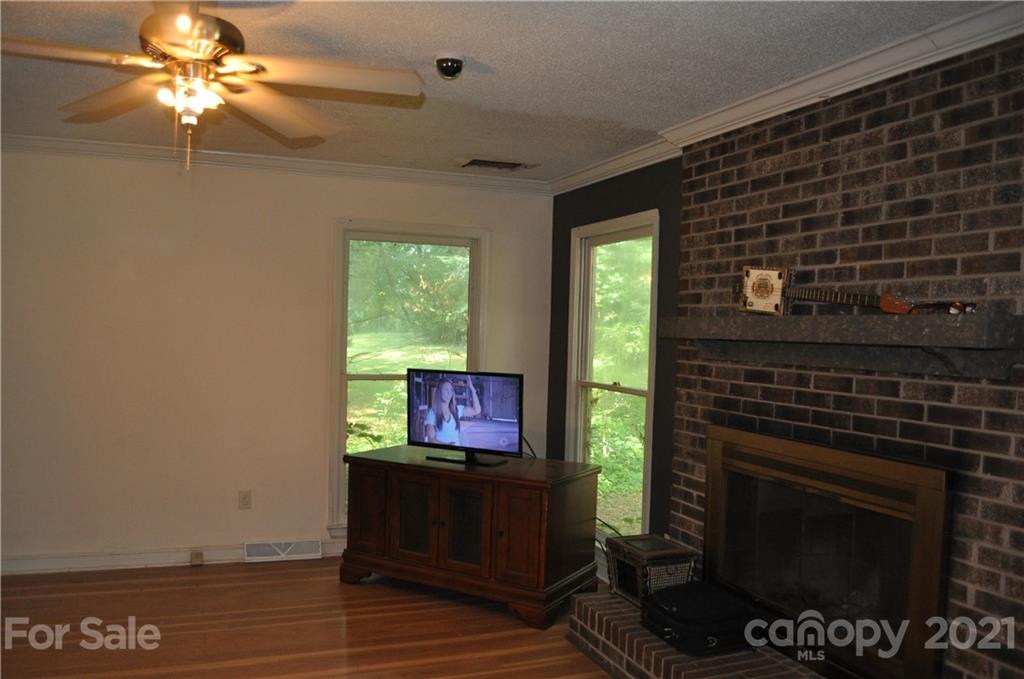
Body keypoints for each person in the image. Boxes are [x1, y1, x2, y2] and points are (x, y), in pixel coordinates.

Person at [424, 375, 481, 445]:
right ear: (439, 392)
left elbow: (477, 410)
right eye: (446, 390)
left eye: (451, 390)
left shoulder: (457, 410)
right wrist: (447, 445)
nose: (449, 393)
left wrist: (472, 389)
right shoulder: (432, 413)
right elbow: (431, 439)